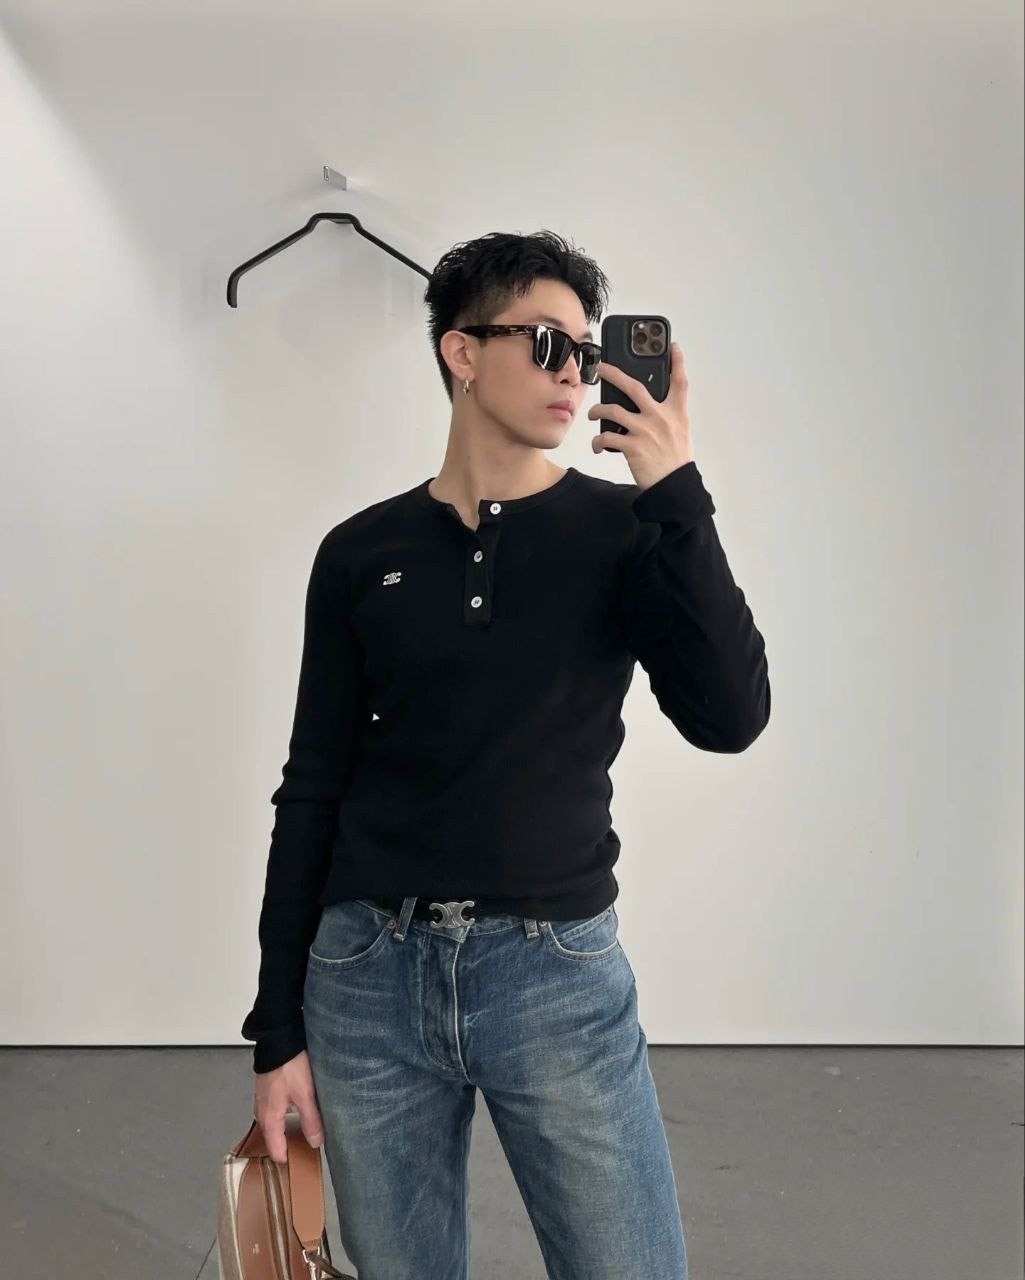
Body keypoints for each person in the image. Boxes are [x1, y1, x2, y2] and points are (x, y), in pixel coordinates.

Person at [241, 229, 770, 1280]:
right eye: (546, 343)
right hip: (366, 975)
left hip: (552, 973)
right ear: (461, 351)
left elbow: (729, 714)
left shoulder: (629, 531)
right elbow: (312, 787)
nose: (576, 372)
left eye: (586, 349)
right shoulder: (361, 553)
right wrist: (276, 1027)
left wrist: (677, 489)